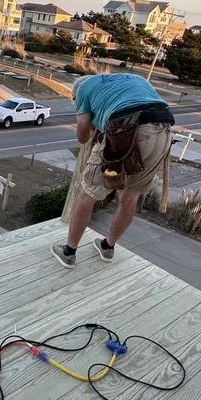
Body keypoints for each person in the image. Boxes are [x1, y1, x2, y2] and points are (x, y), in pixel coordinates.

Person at [51, 72, 175, 268]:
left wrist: (90, 121)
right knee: (131, 195)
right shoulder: (133, 78)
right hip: (164, 131)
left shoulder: (82, 89)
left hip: (126, 129)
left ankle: (69, 252)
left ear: (75, 95)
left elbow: (83, 136)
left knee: (87, 194)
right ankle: (108, 247)